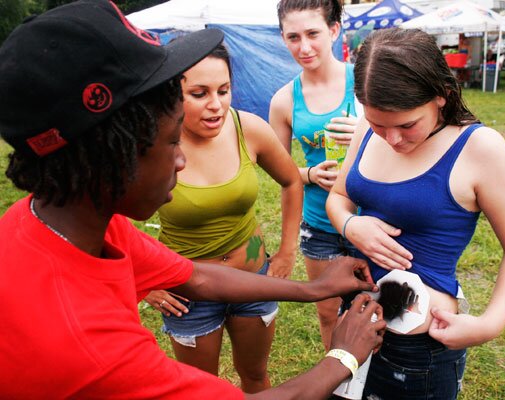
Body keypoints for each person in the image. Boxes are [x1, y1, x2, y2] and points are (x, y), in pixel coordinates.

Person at [0, 1, 387, 398]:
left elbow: (196, 276)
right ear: (113, 156)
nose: (182, 160)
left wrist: (314, 288)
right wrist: (342, 356)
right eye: (171, 142)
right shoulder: (92, 351)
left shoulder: (57, 221)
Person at [326, 28, 505, 400]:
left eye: (407, 125)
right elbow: (339, 197)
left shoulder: (479, 148)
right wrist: (350, 223)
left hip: (417, 350)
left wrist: (490, 323)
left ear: (442, 95)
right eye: (379, 124)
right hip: (353, 323)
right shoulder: (367, 129)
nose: (391, 139)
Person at [143, 43, 303, 393]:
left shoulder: (249, 129)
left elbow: (292, 180)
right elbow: (104, 218)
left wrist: (289, 249)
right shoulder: (149, 144)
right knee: (201, 390)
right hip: (188, 294)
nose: (216, 105)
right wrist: (143, 281)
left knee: (256, 377)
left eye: (224, 90)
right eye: (199, 94)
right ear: (171, 93)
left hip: (253, 282)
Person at [270, 0, 407, 351]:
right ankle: (339, 380)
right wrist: (310, 172)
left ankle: (377, 377)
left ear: (333, 30)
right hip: (319, 224)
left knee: (386, 309)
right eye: (293, 37)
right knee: (328, 312)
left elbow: (408, 147)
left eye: (313, 33)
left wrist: (368, 130)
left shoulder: (367, 85)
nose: (304, 47)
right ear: (283, 38)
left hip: (375, 218)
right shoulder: (284, 100)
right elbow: (280, 171)